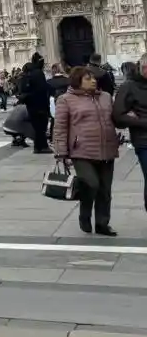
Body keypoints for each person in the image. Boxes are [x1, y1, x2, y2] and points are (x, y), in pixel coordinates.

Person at [54, 66, 118, 237]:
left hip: (106, 148)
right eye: (88, 78)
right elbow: (60, 127)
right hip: (81, 151)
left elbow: (115, 118)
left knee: (105, 189)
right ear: (77, 81)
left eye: (94, 78)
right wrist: (61, 152)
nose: (93, 81)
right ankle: (85, 214)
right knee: (91, 184)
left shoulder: (105, 97)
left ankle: (102, 223)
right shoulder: (65, 99)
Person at [112, 56, 147, 214]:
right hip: (144, 141)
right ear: (141, 67)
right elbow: (118, 117)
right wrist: (142, 122)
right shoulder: (129, 86)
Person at [20, 53, 52, 153]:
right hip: (40, 103)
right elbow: (42, 89)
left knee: (37, 126)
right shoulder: (38, 73)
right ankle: (42, 147)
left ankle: (37, 147)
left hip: (31, 104)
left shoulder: (28, 73)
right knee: (42, 126)